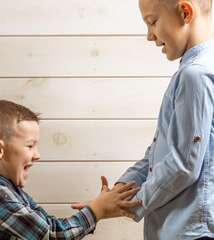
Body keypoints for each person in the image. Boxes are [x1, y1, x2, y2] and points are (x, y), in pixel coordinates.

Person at [84, 0, 214, 239]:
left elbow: (184, 165)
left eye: (152, 22)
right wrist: (119, 192)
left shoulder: (196, 74)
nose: (149, 36)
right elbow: (158, 154)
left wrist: (129, 203)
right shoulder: (192, 71)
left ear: (185, 12)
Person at [0, 100, 142, 240]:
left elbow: (46, 224)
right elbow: (51, 234)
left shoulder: (10, 192)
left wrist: (99, 210)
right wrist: (96, 210)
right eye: (30, 146)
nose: (37, 155)